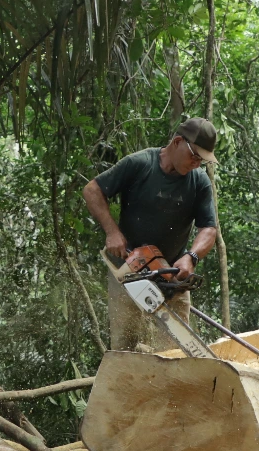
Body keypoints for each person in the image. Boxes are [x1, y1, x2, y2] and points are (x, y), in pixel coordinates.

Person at [82, 118, 220, 350]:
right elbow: (92, 190)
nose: (197, 163)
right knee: (125, 345)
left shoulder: (199, 182)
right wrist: (112, 231)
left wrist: (191, 257)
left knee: (175, 349)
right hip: (129, 271)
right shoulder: (140, 164)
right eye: (194, 156)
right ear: (178, 142)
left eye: (202, 159)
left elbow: (209, 228)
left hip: (172, 277)